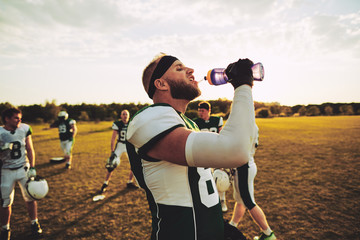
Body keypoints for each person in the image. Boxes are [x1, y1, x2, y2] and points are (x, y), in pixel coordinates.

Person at [126, 53, 257, 240]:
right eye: (179, 68)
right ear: (161, 84)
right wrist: (243, 85)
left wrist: (217, 227)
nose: (191, 70)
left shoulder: (189, 124)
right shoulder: (149, 118)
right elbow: (236, 150)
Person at [0, 108, 43, 239]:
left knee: (30, 197)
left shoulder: (24, 129)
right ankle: (5, 228)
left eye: (20, 118)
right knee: (5, 202)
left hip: (23, 168)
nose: (19, 120)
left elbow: (30, 148)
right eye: (16, 118)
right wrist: (2, 148)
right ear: (7, 119)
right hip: (6, 170)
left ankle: (34, 223)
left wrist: (33, 167)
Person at [229, 127, 276, 240]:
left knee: (248, 202)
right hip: (248, 165)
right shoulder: (252, 124)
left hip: (243, 168)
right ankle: (232, 226)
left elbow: (234, 147)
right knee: (240, 201)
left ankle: (268, 233)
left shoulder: (243, 123)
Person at [193, 101, 229, 212]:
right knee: (204, 179)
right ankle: (208, 201)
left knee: (220, 176)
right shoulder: (195, 123)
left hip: (216, 153)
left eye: (202, 111)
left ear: (209, 111)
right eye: (199, 111)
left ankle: (222, 200)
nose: (200, 113)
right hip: (203, 155)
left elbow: (221, 135)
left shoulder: (216, 120)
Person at [100, 109, 137, 193]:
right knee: (111, 164)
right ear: (121, 116)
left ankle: (130, 182)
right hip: (120, 145)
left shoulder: (131, 124)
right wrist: (112, 150)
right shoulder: (118, 124)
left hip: (129, 145)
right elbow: (113, 138)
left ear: (129, 116)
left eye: (126, 114)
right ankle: (105, 183)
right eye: (123, 114)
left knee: (134, 164)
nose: (125, 116)